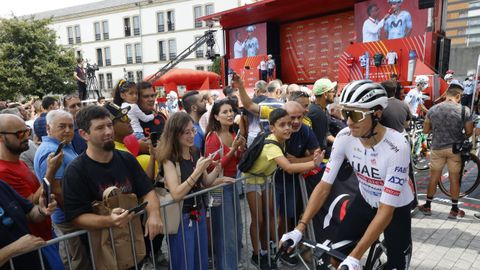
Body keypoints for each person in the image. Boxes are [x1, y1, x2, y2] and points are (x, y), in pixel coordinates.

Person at [281, 80, 413, 270]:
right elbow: (324, 186)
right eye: (345, 113)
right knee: (335, 258)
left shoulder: (397, 145)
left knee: (396, 266)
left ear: (376, 114)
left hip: (395, 207)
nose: (348, 121)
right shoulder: (344, 137)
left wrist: (355, 257)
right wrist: (299, 229)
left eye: (355, 114)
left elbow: (386, 210)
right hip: (365, 199)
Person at [61, 106, 163, 240]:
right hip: (100, 249)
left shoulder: (127, 159)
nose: (108, 132)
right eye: (100, 128)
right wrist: (110, 220)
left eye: (109, 125)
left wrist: (154, 213)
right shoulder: (75, 171)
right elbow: (76, 217)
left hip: (133, 242)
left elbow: (147, 191)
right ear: (83, 134)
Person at [242, 108, 323, 270]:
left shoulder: (282, 141)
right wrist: (314, 163)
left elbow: (290, 162)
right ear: (272, 128)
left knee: (270, 216)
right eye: (282, 125)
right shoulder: (272, 145)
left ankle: (268, 251)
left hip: (266, 180)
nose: (287, 127)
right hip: (252, 181)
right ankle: (257, 255)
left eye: (288, 124)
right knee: (258, 220)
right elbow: (288, 167)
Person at [156, 112, 234, 270]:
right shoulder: (169, 159)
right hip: (181, 217)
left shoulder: (195, 151)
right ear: (175, 134)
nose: (192, 135)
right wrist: (197, 171)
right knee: (184, 262)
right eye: (186, 132)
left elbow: (204, 182)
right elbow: (177, 193)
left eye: (193, 130)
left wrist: (216, 170)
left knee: (200, 260)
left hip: (198, 212)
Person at [0, 113, 64, 270]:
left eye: (27, 131)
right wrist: (51, 170)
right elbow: (32, 199)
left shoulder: (7, 178)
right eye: (20, 133)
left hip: (39, 245)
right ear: (1, 138)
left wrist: (42, 210)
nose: (26, 137)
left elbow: (29, 210)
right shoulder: (3, 171)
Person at [33, 109, 90, 269]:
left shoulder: (62, 145)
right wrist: (77, 215)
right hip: (70, 217)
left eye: (71, 126)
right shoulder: (52, 151)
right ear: (48, 128)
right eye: (62, 126)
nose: (67, 130)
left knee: (71, 257)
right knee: (80, 260)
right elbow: (57, 190)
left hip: (70, 215)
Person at [418, 84, 473, 219]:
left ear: (446, 95)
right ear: (458, 96)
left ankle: (427, 206)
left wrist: (436, 131)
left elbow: (425, 130)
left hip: (437, 148)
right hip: (454, 149)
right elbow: (469, 131)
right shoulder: (464, 110)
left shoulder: (433, 109)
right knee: (454, 179)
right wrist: (461, 136)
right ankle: (454, 209)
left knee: (434, 177)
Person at [204, 99, 246, 270]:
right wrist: (234, 149)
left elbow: (237, 162)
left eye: (231, 111)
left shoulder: (233, 133)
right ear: (216, 116)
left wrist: (240, 150)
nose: (230, 114)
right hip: (219, 188)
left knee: (236, 228)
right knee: (225, 232)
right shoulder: (212, 138)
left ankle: (233, 263)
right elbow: (213, 166)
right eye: (225, 112)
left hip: (232, 184)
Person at [0, 180, 57, 269]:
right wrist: (14, 249)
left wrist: (42, 210)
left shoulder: (2, 185)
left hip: (38, 263)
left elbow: (30, 213)